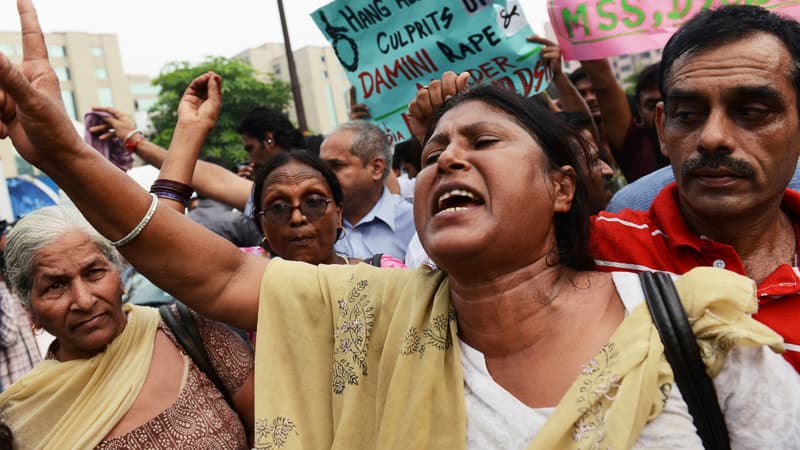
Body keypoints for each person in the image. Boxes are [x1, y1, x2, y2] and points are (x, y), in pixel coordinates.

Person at [3, 6, 800, 447]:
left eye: (483, 143)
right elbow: (215, 274)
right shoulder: (377, 313)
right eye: (437, 150)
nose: (448, 160)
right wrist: (70, 157)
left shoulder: (697, 325)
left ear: (564, 187)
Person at [590, 4, 800, 371]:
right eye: (688, 116)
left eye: (751, 112)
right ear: (661, 129)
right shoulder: (595, 252)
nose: (713, 138)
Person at [0, 205, 255, 449]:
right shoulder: (21, 415)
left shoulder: (192, 333)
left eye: (94, 273)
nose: (84, 301)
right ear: (28, 308)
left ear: (119, 276)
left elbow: (276, 428)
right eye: (55, 286)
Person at [319, 120, 415, 260]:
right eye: (322, 167)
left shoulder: (414, 222)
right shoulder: (315, 223)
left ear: (376, 168)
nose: (324, 175)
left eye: (337, 165)